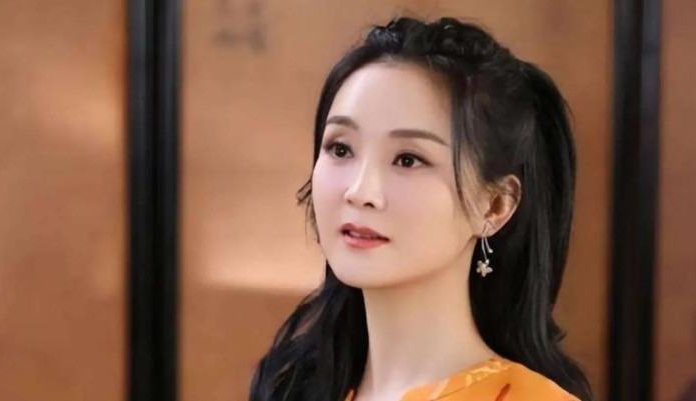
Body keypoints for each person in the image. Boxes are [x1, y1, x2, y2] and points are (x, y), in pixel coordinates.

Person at [249, 15, 594, 401]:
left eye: (408, 159)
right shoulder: (293, 389)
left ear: (495, 205)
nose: (360, 191)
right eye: (341, 149)